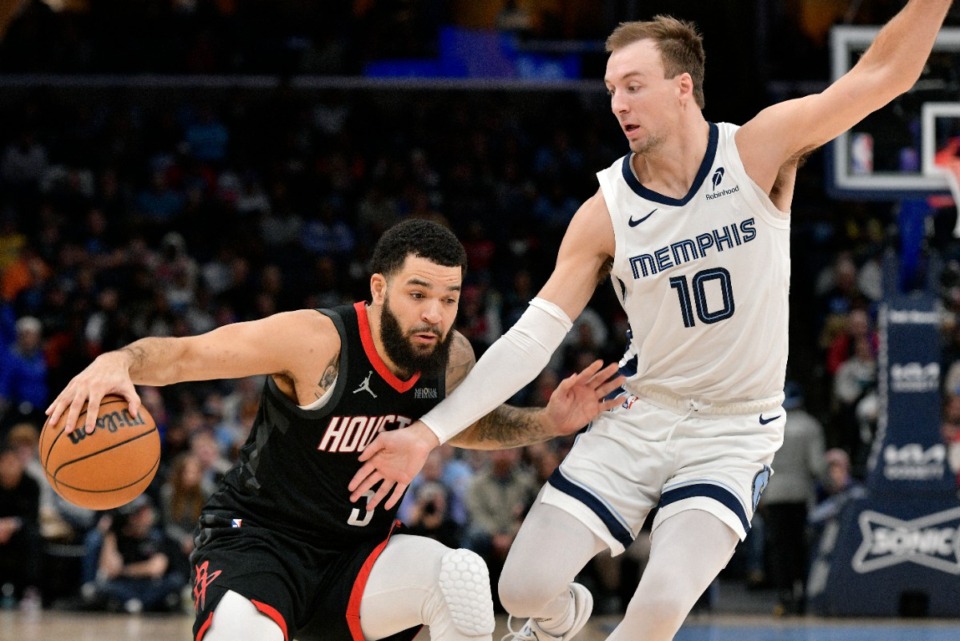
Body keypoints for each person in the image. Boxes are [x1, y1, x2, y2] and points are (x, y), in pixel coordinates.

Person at [349, 5, 955, 640]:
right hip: (641, 414)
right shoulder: (604, 211)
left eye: (634, 85)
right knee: (520, 588)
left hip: (731, 429)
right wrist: (427, 434)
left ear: (682, 86)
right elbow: (531, 338)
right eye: (612, 89)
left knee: (661, 603)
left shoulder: (757, 149)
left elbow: (883, 73)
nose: (618, 102)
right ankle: (561, 622)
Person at [45, 219, 623, 641]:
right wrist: (119, 360)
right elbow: (189, 356)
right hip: (259, 543)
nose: (434, 314)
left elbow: (465, 426)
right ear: (377, 289)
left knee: (461, 575)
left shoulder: (451, 357)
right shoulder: (316, 341)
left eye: (448, 299)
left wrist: (547, 421)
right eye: (418, 294)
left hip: (357, 557)